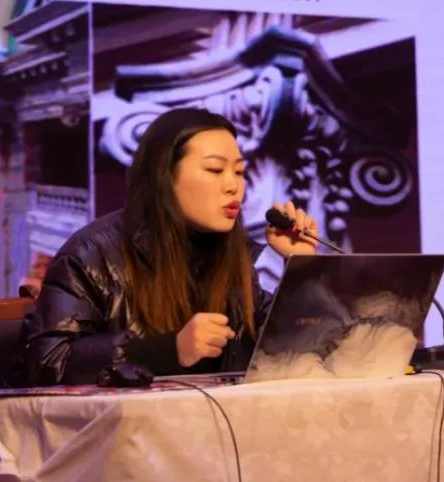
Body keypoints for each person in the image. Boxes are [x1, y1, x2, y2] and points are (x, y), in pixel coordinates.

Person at [19, 107, 319, 385]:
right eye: (215, 170)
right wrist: (166, 351)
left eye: (239, 172)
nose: (234, 186)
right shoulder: (91, 254)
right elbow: (47, 363)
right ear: (164, 177)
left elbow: (286, 352)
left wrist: (302, 268)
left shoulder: (231, 255)